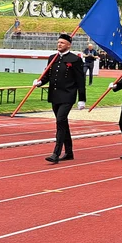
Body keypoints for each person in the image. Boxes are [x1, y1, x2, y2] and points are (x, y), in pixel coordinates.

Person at [34, 34, 86, 164]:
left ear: (69, 44)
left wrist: (82, 99)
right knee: (63, 123)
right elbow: (47, 76)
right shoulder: (53, 58)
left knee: (60, 121)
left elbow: (80, 80)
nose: (59, 44)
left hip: (68, 95)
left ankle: (55, 153)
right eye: (58, 42)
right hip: (55, 95)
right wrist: (40, 82)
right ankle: (69, 152)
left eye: (62, 43)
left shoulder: (75, 60)